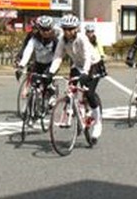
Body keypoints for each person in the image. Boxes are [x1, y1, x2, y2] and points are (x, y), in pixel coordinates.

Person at [49, 14, 104, 143]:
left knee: (89, 93)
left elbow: (87, 56)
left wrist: (85, 72)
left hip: (93, 64)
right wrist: (51, 72)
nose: (67, 32)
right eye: (65, 29)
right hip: (77, 65)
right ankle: (76, 110)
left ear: (76, 29)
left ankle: (98, 123)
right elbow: (58, 57)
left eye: (70, 29)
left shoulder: (82, 38)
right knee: (71, 88)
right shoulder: (62, 40)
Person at [14, 15, 61, 104]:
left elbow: (58, 56)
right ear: (39, 29)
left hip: (50, 64)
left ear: (51, 28)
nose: (45, 32)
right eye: (43, 29)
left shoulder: (55, 40)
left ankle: (52, 93)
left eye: (48, 29)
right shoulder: (34, 38)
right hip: (38, 63)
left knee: (47, 81)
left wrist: (51, 71)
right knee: (34, 82)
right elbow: (27, 51)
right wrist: (21, 66)